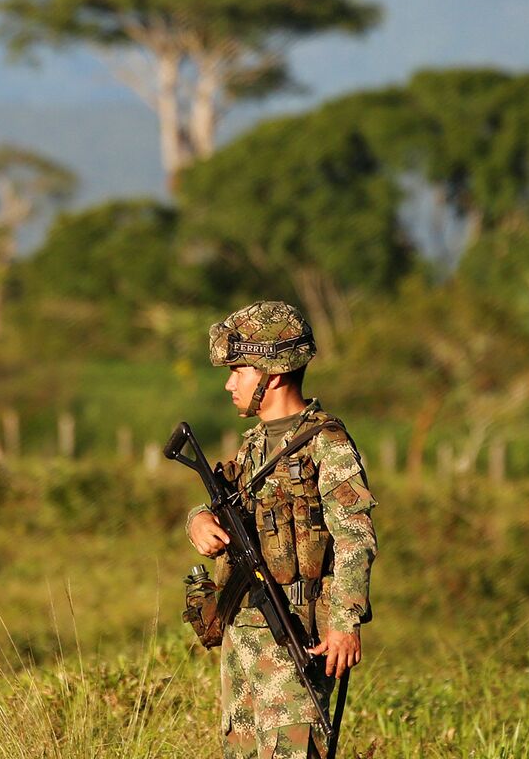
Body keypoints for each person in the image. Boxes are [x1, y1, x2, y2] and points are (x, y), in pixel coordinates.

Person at [185, 301, 378, 759]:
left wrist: (345, 623)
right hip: (244, 634)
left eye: (239, 370)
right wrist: (196, 519)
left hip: (297, 637)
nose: (230, 383)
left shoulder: (326, 444)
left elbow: (355, 536)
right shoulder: (254, 444)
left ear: (271, 374)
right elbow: (221, 498)